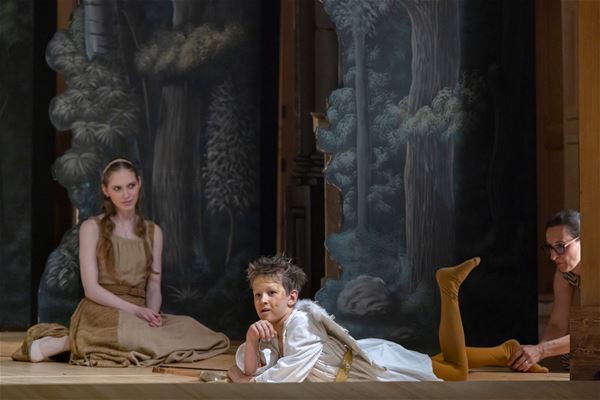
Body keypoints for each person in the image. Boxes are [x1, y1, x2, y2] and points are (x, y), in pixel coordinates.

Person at [13, 158, 229, 367]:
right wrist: (135, 311)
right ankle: (65, 343)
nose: (126, 194)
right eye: (117, 188)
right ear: (106, 190)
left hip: (139, 313)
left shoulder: (154, 232)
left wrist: (151, 316)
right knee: (135, 335)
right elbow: (91, 289)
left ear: (139, 183)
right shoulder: (91, 228)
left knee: (198, 333)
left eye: (131, 186)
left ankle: (81, 340)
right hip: (102, 308)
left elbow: (154, 286)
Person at [227, 255, 547, 383]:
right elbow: (253, 366)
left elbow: (277, 378)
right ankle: (504, 352)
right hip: (362, 363)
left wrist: (243, 381)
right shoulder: (272, 329)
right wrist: (252, 339)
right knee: (433, 362)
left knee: (455, 372)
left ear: (292, 297)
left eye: (271, 293)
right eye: (257, 295)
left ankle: (448, 288)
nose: (263, 301)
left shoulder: (300, 324)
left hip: (369, 371)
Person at [508, 209, 580, 371]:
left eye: (560, 246)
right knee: (572, 359)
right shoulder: (564, 274)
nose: (553, 257)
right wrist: (533, 355)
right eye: (550, 248)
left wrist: (541, 350)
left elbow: (596, 332)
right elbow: (557, 325)